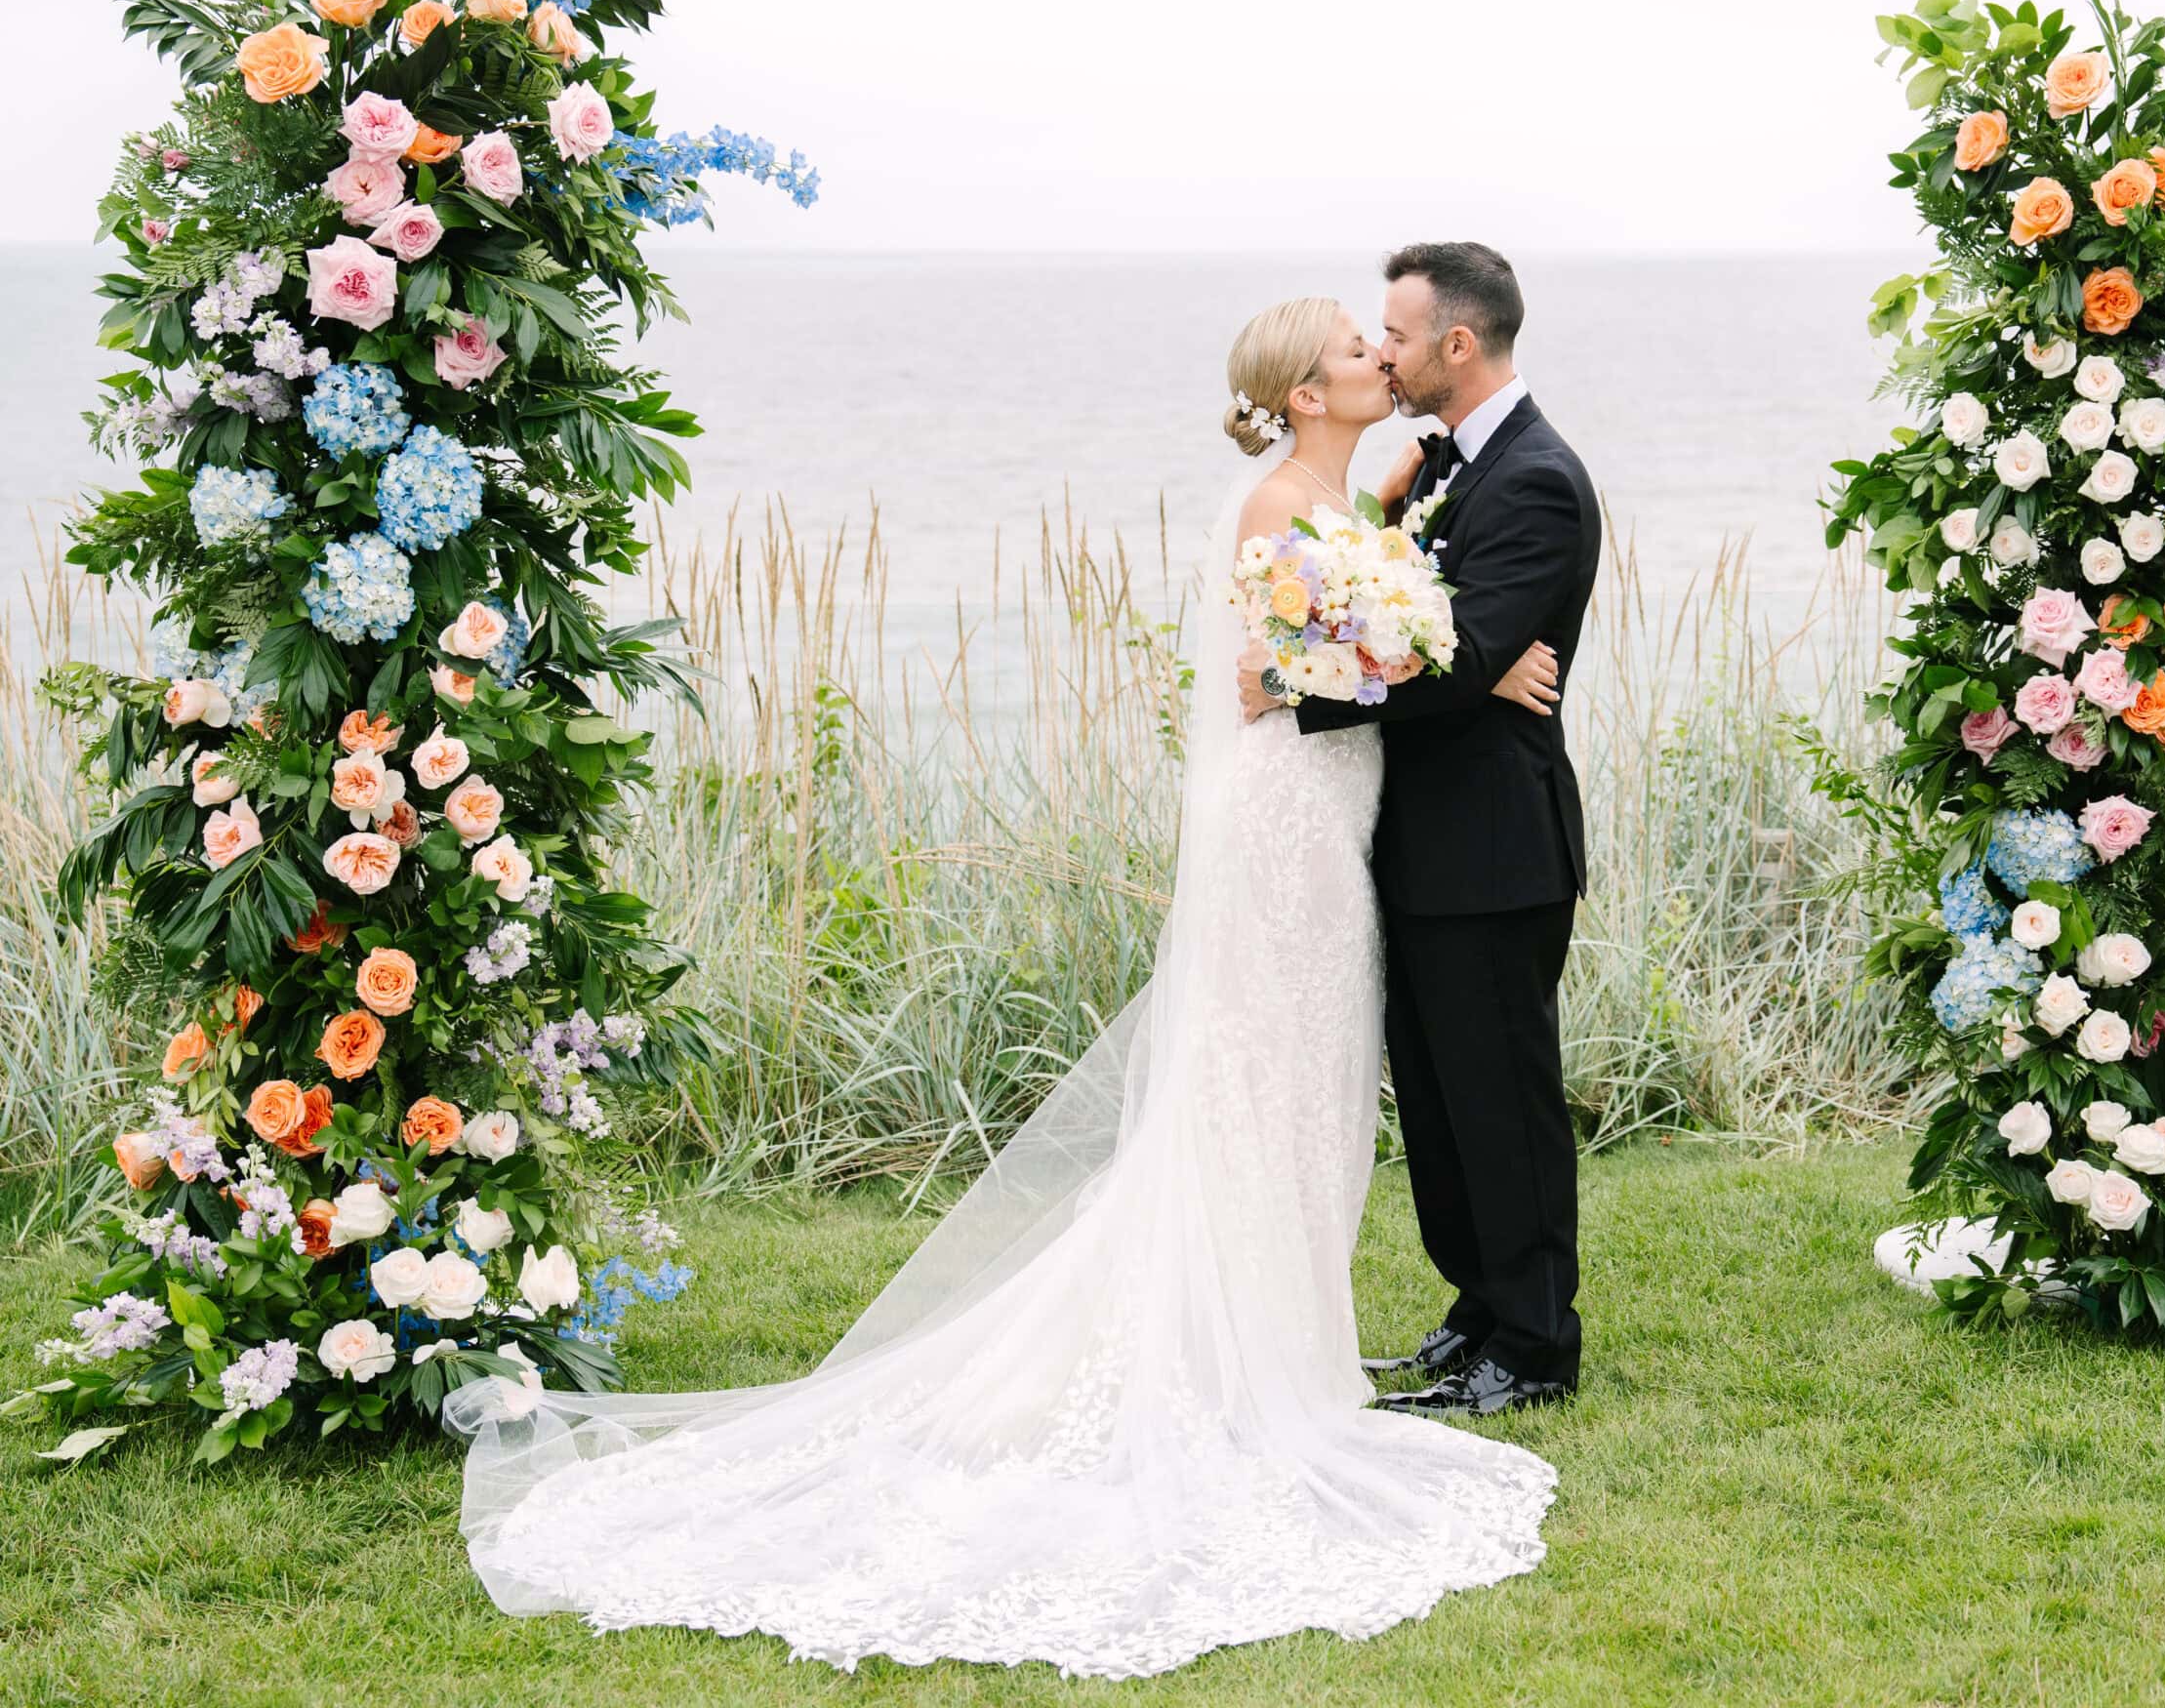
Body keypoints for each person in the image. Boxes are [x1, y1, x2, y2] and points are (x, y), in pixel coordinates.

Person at [442, 291, 1562, 1680]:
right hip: (1284, 821)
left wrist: (1429, 630)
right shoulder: (1277, 501)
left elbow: (1358, 629)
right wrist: (1449, 655)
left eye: (1376, 341)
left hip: (1331, 821)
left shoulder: (1356, 495)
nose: (1375, 358)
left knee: (1309, 1080)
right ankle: (1241, 1363)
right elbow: (1270, 676)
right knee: (1259, 1073)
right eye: (1352, 349)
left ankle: (1291, 1349)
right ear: (1302, 389)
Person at [1239, 241, 1599, 1415]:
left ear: (1456, 342)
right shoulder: (1432, 468)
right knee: (1443, 1103)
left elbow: (1461, 656)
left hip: (1493, 848)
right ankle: (1478, 1311)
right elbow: (1425, 623)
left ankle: (1536, 1342)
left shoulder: (1538, 477)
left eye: (1392, 336)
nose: (1381, 354)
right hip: (1412, 838)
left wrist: (1294, 687)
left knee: (1504, 1103)